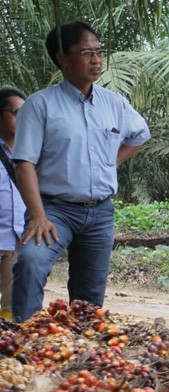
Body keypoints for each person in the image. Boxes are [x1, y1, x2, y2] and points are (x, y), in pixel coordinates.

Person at [12, 22, 151, 322]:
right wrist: (38, 216)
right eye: (86, 52)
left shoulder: (114, 103)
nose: (96, 59)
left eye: (99, 51)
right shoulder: (39, 105)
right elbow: (23, 163)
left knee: (89, 300)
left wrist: (106, 163)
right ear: (62, 58)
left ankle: (78, 352)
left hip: (100, 213)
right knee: (31, 263)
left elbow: (140, 135)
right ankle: (23, 339)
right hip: (53, 210)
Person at [0, 88, 26, 321]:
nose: (22, 117)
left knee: (11, 307)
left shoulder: (29, 154)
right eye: (15, 112)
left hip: (16, 238)